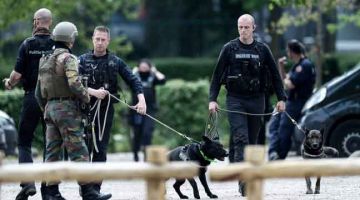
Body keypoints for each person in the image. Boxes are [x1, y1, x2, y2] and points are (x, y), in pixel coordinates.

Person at [208, 14, 286, 196]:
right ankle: (244, 180)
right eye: (240, 27)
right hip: (235, 99)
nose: (243, 30)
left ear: (253, 28)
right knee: (241, 138)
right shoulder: (229, 48)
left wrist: (282, 99)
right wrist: (213, 99)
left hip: (257, 99)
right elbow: (217, 76)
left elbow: (275, 76)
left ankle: (250, 174)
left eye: (246, 27)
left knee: (253, 141)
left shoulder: (262, 49)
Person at [35, 21, 113, 200]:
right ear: (70, 39)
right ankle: (89, 192)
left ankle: (50, 193)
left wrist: (47, 108)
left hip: (50, 109)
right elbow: (74, 83)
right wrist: (86, 97)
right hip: (67, 111)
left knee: (52, 152)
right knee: (79, 150)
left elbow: (38, 92)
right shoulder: (69, 58)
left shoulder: (44, 59)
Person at [78, 26, 146, 195]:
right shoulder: (80, 61)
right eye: (97, 39)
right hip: (85, 110)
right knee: (84, 150)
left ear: (108, 41)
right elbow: (73, 85)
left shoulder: (115, 62)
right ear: (92, 39)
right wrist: (93, 92)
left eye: (103, 39)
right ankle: (85, 188)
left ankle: (95, 189)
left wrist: (141, 100)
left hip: (106, 110)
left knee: (101, 149)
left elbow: (133, 80)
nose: (100, 42)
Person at [2, 8, 54, 200]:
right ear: (49, 22)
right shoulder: (58, 44)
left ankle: (28, 183)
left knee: (24, 142)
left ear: (36, 22)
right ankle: (48, 191)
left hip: (32, 97)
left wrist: (8, 83)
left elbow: (16, 76)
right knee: (51, 143)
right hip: (52, 101)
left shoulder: (27, 44)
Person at [268, 39, 316, 160]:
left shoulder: (304, 65)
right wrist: (281, 66)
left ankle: (280, 155)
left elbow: (289, 84)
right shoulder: (297, 65)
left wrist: (286, 81)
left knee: (284, 128)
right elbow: (285, 79)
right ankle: (273, 152)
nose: (287, 53)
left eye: (288, 51)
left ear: (292, 52)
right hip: (288, 101)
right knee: (273, 125)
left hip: (296, 102)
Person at [130, 59, 166, 161]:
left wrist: (154, 71)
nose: (144, 69)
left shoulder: (152, 77)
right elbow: (127, 79)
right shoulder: (134, 76)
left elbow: (163, 80)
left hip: (150, 110)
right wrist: (134, 71)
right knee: (137, 133)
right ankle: (135, 154)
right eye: (142, 67)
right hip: (136, 110)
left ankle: (146, 156)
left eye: (146, 67)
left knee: (147, 133)